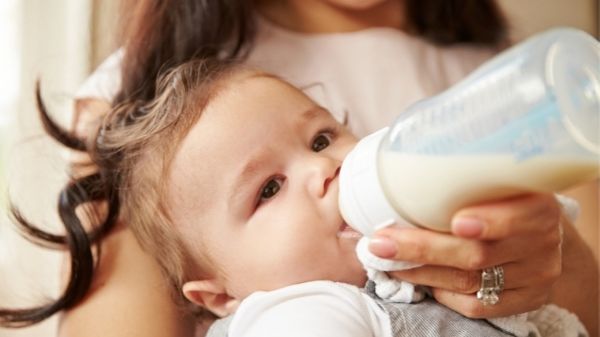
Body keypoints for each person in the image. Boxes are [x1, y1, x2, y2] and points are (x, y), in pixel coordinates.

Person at [1, 1, 597, 336]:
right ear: (216, 294)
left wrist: (543, 262)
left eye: (322, 138)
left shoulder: (513, 80)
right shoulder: (140, 110)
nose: (327, 172)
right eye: (267, 189)